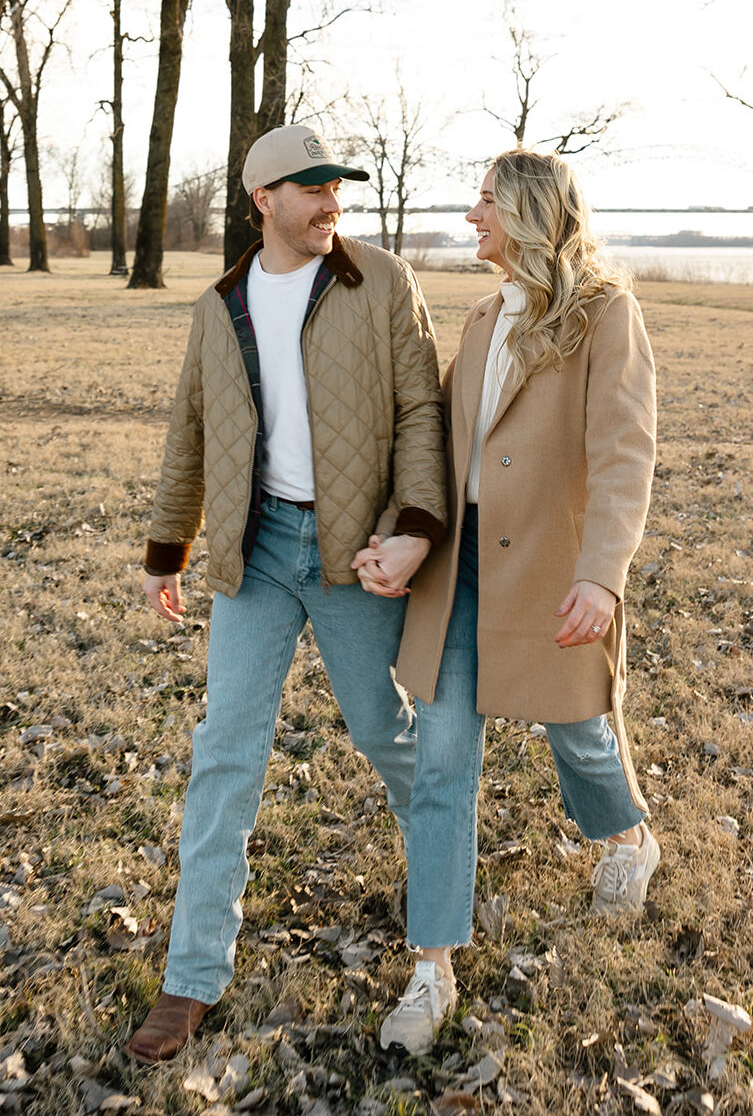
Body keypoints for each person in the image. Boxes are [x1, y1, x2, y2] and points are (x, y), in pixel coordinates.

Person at [123, 124, 447, 1064]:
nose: (330, 201)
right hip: (256, 553)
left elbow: (421, 409)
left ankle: (441, 884)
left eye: (336, 185)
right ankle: (191, 975)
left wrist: (414, 529)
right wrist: (165, 548)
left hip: (353, 552)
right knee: (224, 750)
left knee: (384, 729)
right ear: (262, 199)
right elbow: (188, 431)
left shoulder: (378, 281)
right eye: (312, 188)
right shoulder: (219, 302)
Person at [353, 149, 660, 1056]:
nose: (470, 214)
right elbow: (443, 451)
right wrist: (398, 532)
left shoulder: (607, 313)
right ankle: (433, 966)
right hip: (461, 574)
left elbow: (623, 453)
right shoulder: (482, 317)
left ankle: (630, 836)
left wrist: (602, 572)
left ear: (527, 211)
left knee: (578, 730)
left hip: (551, 571)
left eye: (484, 200)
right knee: (442, 763)